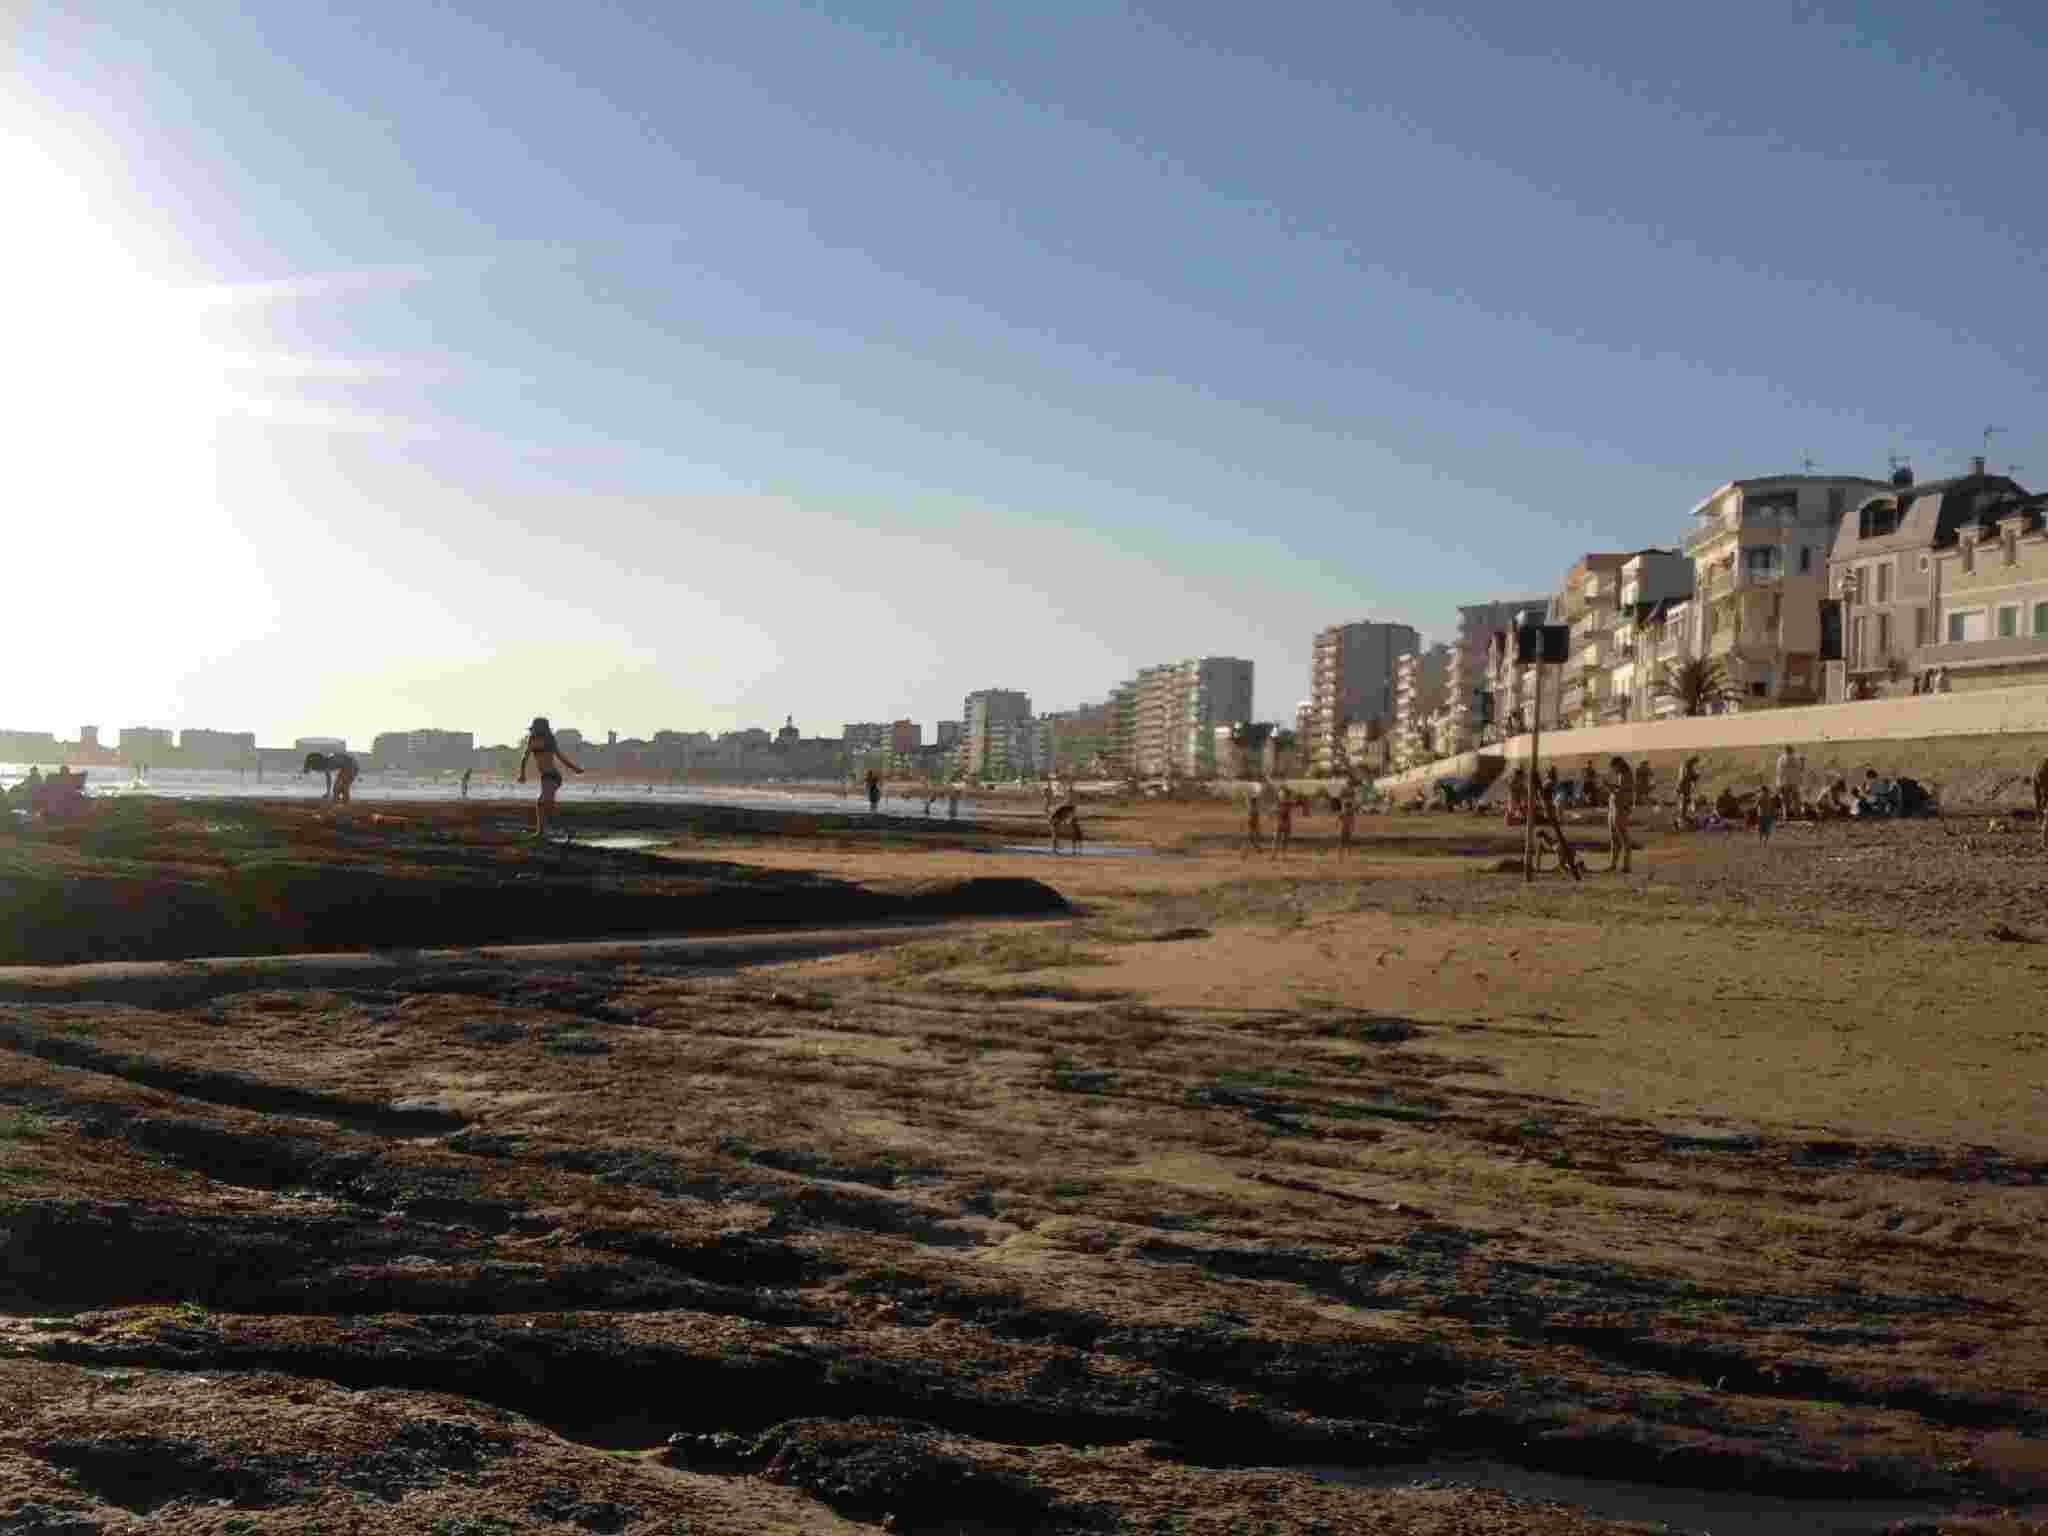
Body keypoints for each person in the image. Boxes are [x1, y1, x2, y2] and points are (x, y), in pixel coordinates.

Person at [517, 717, 583, 840]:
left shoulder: (549, 740)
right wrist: (522, 774)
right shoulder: (532, 740)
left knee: (541, 802)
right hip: (544, 777)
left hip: (553, 776)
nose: (536, 730)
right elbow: (525, 758)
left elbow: (560, 756)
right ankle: (561, 830)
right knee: (546, 806)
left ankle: (542, 832)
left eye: (538, 727)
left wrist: (575, 769)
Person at [1605, 755, 1634, 874]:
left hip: (1620, 809)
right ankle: (1613, 865)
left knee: (1622, 837)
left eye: (1614, 767)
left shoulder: (1626, 775)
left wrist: (1609, 787)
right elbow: (1620, 788)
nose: (1613, 770)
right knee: (1614, 838)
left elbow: (1622, 792)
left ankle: (1626, 865)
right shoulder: (1621, 775)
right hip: (1614, 807)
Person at [1676, 755, 1702, 829]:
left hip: (1684, 789)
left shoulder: (1685, 767)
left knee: (1684, 806)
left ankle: (1682, 821)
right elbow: (1690, 777)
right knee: (1684, 806)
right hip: (1684, 789)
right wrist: (1696, 776)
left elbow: (1690, 777)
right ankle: (1681, 823)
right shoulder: (1687, 768)